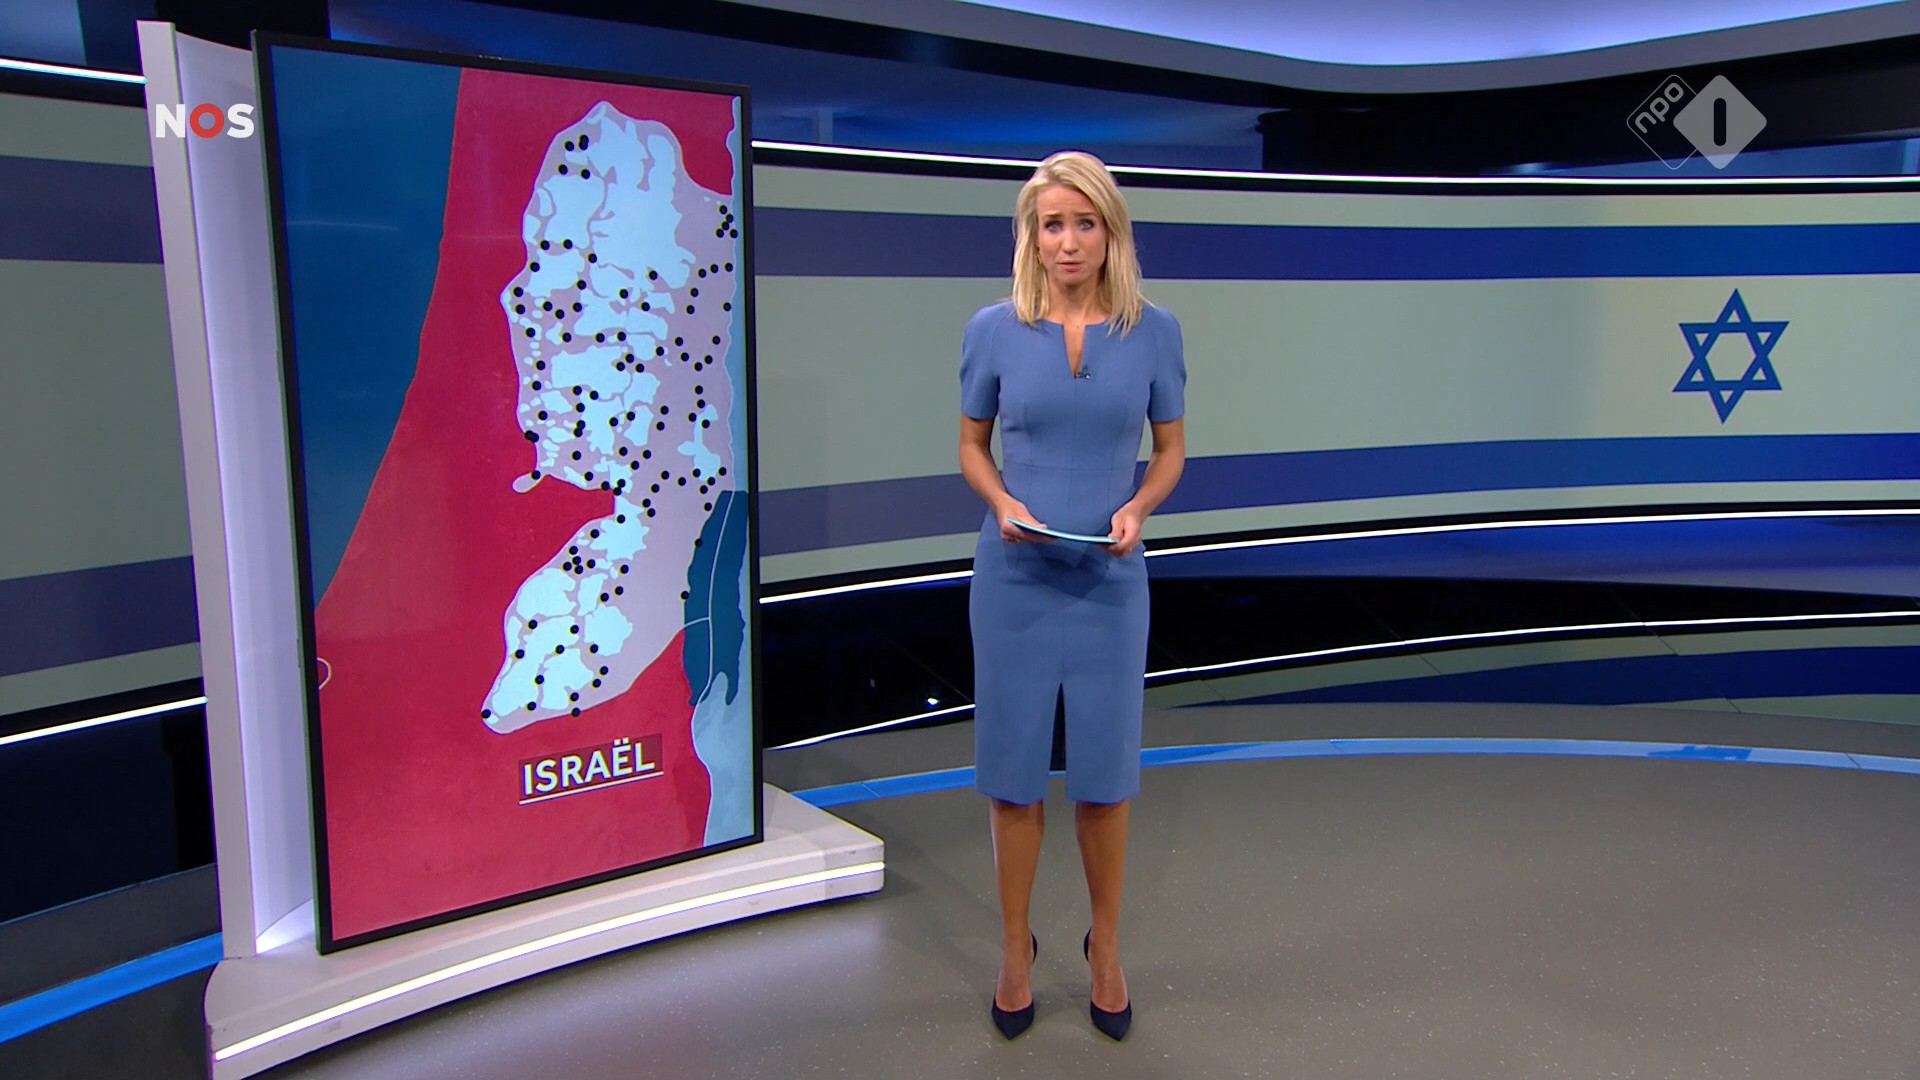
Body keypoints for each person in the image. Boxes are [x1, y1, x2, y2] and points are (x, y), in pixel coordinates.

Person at [957, 150, 1187, 1042]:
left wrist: (1138, 507)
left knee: (1105, 776)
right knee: (1014, 774)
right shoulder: (993, 329)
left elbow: (1170, 450)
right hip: (1014, 577)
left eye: (1084, 223)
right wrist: (1001, 502)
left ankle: (1105, 948)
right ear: (1032, 234)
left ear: (1109, 231)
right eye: (1052, 224)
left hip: (1110, 580)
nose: (1068, 241)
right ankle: (1015, 950)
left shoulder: (1154, 331)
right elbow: (971, 444)